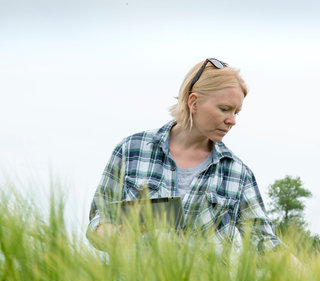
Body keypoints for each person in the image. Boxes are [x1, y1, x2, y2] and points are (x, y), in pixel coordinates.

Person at [86, 58, 283, 254]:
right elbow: (98, 220)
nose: (232, 120)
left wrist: (306, 274)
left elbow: (264, 241)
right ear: (194, 102)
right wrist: (119, 235)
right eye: (224, 109)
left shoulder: (237, 173)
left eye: (236, 112)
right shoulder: (132, 149)